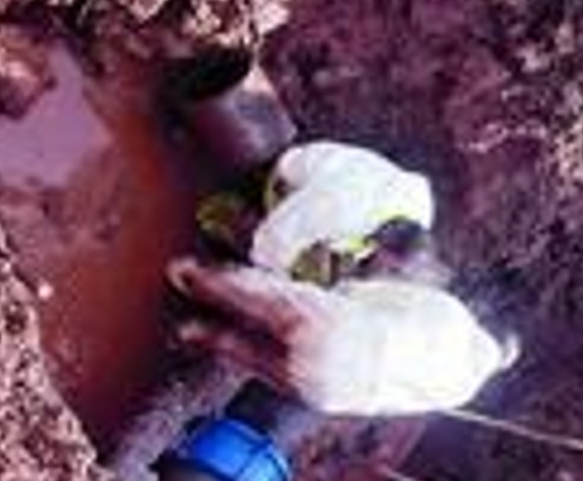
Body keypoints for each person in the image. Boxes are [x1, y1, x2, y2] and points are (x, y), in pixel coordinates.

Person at [169, 141, 517, 418]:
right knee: (246, 353)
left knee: (256, 297)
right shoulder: (460, 393)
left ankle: (188, 274)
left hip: (338, 329)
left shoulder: (451, 310)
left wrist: (293, 286)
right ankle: (196, 332)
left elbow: (357, 293)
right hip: (341, 394)